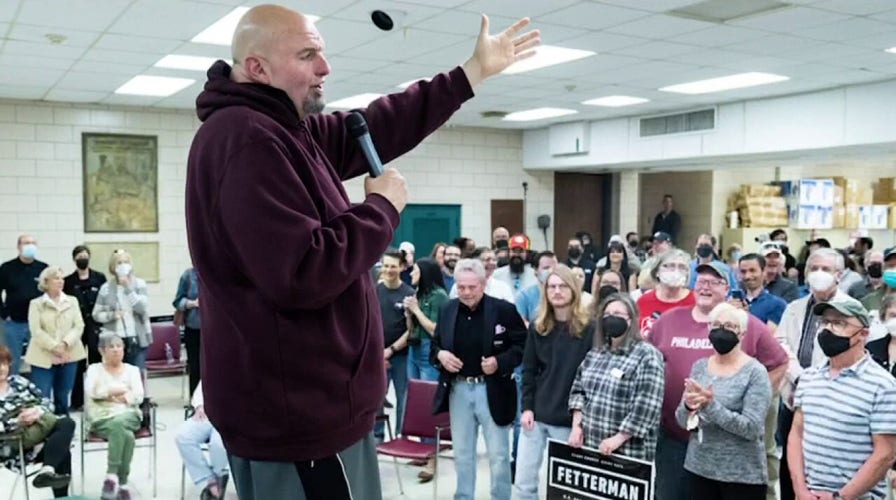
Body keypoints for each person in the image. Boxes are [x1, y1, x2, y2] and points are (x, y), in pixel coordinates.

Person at [184, 4, 539, 498]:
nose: (325, 68)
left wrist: (470, 73)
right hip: (298, 422)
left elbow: (375, 124)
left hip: (308, 412)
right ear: (257, 67)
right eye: (307, 55)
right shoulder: (247, 140)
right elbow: (304, 271)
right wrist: (381, 209)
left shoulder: (286, 130)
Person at [650, 262, 788, 500]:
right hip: (676, 440)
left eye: (715, 282)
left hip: (732, 452)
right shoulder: (669, 320)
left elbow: (779, 362)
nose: (706, 287)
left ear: (728, 289)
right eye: (701, 281)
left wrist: (758, 396)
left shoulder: (747, 323)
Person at [430, 259, 526, 500]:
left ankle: (500, 497)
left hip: (492, 388)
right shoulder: (448, 309)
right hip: (459, 389)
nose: (466, 293)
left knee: (499, 455)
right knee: (462, 453)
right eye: (461, 287)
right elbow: (435, 346)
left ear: (483, 284)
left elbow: (523, 346)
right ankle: (463, 496)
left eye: (472, 287)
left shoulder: (503, 310)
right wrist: (441, 355)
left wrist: (499, 362)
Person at [787, 299, 896, 499]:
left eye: (839, 323)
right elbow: (796, 435)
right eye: (826, 322)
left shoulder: (882, 385)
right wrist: (800, 489)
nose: (828, 329)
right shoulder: (809, 377)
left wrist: (840, 496)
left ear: (862, 334)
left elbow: (885, 454)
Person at [776, 248, 856, 500]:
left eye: (826, 269)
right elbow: (781, 344)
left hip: (830, 402)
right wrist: (799, 376)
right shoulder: (794, 308)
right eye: (814, 268)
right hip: (793, 395)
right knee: (790, 467)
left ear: (839, 275)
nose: (819, 274)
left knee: (821, 469)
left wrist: (814, 382)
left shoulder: (852, 310)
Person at [675, 303, 772, 499]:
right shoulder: (700, 366)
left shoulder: (755, 372)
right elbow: (681, 419)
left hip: (741, 476)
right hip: (698, 469)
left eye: (729, 326)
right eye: (716, 325)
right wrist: (688, 406)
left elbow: (751, 428)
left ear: (742, 334)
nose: (721, 331)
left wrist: (711, 406)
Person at [514, 265, 595, 500]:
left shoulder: (589, 329)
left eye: (562, 286)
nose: (557, 291)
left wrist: (580, 423)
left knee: (562, 490)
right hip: (537, 415)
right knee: (524, 483)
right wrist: (527, 407)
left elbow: (590, 379)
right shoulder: (538, 327)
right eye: (552, 286)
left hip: (568, 420)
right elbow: (528, 371)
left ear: (573, 289)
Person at [568, 294, 664, 460]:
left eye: (618, 315)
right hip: (590, 447)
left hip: (627, 453)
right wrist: (577, 427)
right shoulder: (596, 353)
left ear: (631, 320)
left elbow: (647, 405)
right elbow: (578, 391)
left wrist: (618, 438)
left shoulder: (647, 355)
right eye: (607, 315)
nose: (611, 319)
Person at [0, 345, 75, 497]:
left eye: (4, 364)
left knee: (66, 424)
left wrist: (37, 411)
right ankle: (54, 483)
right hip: (15, 446)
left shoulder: (18, 382)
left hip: (40, 433)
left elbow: (46, 402)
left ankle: (48, 471)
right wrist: (18, 421)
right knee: (62, 449)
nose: (2, 369)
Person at [85, 333, 145, 500]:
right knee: (127, 436)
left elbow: (138, 396)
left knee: (120, 424)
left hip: (129, 415)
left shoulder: (133, 370)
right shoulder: (93, 370)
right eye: (111, 347)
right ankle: (123, 483)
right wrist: (118, 391)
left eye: (119, 346)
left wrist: (109, 395)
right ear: (101, 350)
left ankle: (111, 476)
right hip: (102, 417)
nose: (116, 350)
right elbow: (92, 392)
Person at [404, 257, 447, 481]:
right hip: (414, 349)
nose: (411, 274)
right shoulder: (419, 294)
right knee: (417, 403)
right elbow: (414, 328)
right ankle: (423, 451)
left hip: (429, 351)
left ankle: (432, 460)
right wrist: (409, 315)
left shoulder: (439, 296)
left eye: (415, 271)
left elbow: (436, 330)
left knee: (430, 404)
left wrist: (416, 310)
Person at [25, 266, 86, 416]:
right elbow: (36, 330)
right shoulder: (36, 304)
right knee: (42, 397)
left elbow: (79, 325)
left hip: (69, 355)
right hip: (43, 356)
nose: (61, 281)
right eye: (56, 278)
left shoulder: (72, 301)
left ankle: (63, 433)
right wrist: (54, 347)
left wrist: (65, 344)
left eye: (62, 278)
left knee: (62, 396)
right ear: (46, 282)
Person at [92, 249, 151, 385]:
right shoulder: (106, 288)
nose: (123, 265)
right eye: (119, 262)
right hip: (115, 339)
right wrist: (112, 315)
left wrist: (128, 288)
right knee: (116, 377)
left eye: (126, 262)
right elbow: (96, 314)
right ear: (113, 266)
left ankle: (140, 402)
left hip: (137, 337)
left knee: (137, 375)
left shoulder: (140, 284)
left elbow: (142, 309)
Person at [375, 252, 415, 444]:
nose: (389, 270)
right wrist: (378, 354)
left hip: (401, 356)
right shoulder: (374, 291)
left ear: (401, 267)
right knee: (376, 397)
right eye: (386, 266)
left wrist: (390, 350)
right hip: (376, 357)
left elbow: (411, 331)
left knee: (403, 397)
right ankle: (377, 435)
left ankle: (402, 436)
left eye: (393, 266)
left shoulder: (409, 294)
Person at [63, 244, 107, 411]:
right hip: (76, 328)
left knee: (97, 364)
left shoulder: (99, 277)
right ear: (74, 259)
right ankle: (77, 401)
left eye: (85, 255)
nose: (83, 259)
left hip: (96, 326)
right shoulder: (68, 281)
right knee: (78, 366)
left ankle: (98, 397)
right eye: (79, 256)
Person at [0, 234, 49, 374]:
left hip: (38, 323)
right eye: (26, 243)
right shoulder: (7, 268)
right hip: (14, 323)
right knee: (12, 361)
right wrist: (4, 314)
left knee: (40, 361)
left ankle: (37, 393)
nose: (30, 246)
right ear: (18, 246)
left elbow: (49, 293)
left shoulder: (43, 268)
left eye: (33, 243)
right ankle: (12, 393)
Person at [176, 381, 229, 500]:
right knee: (182, 436)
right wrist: (199, 406)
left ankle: (219, 476)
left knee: (218, 444)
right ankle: (209, 480)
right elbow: (201, 388)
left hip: (231, 417)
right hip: (206, 414)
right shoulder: (213, 365)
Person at [637, 249, 696, 340]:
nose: (676, 271)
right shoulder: (644, 301)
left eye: (682, 267)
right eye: (670, 266)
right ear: (657, 272)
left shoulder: (696, 301)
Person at [173, 267, 201, 396]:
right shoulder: (188, 275)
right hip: (194, 328)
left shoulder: (217, 272)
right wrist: (192, 303)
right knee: (195, 367)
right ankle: (194, 401)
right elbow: (178, 301)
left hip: (215, 330)